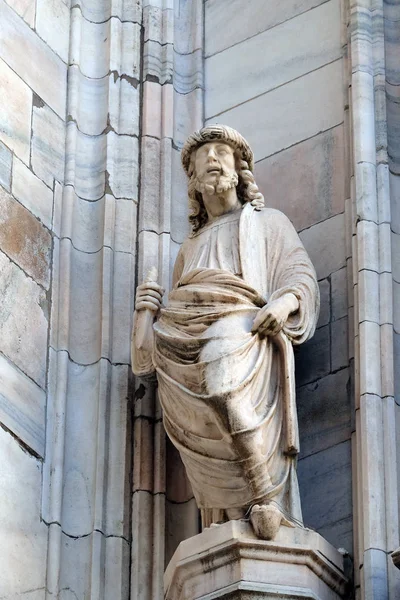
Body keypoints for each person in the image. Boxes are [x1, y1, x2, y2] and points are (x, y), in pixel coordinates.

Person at [132, 124, 320, 540]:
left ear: (239, 168)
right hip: (184, 337)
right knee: (203, 413)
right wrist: (148, 312)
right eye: (204, 157)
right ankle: (230, 518)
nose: (213, 160)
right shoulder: (188, 249)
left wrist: (284, 302)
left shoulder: (268, 223)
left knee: (221, 383)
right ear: (194, 181)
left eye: (221, 152)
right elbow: (146, 356)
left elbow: (299, 275)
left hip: (242, 324)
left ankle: (265, 495)